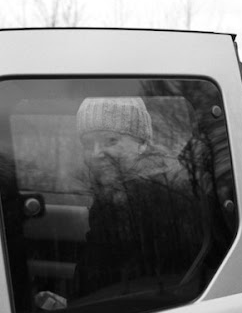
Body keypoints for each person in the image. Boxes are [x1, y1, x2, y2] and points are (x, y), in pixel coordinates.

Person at [73, 97, 206, 302]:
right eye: (88, 144)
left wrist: (74, 308)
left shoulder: (149, 197)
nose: (96, 153)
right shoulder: (118, 190)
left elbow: (120, 281)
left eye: (111, 140)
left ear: (142, 143)